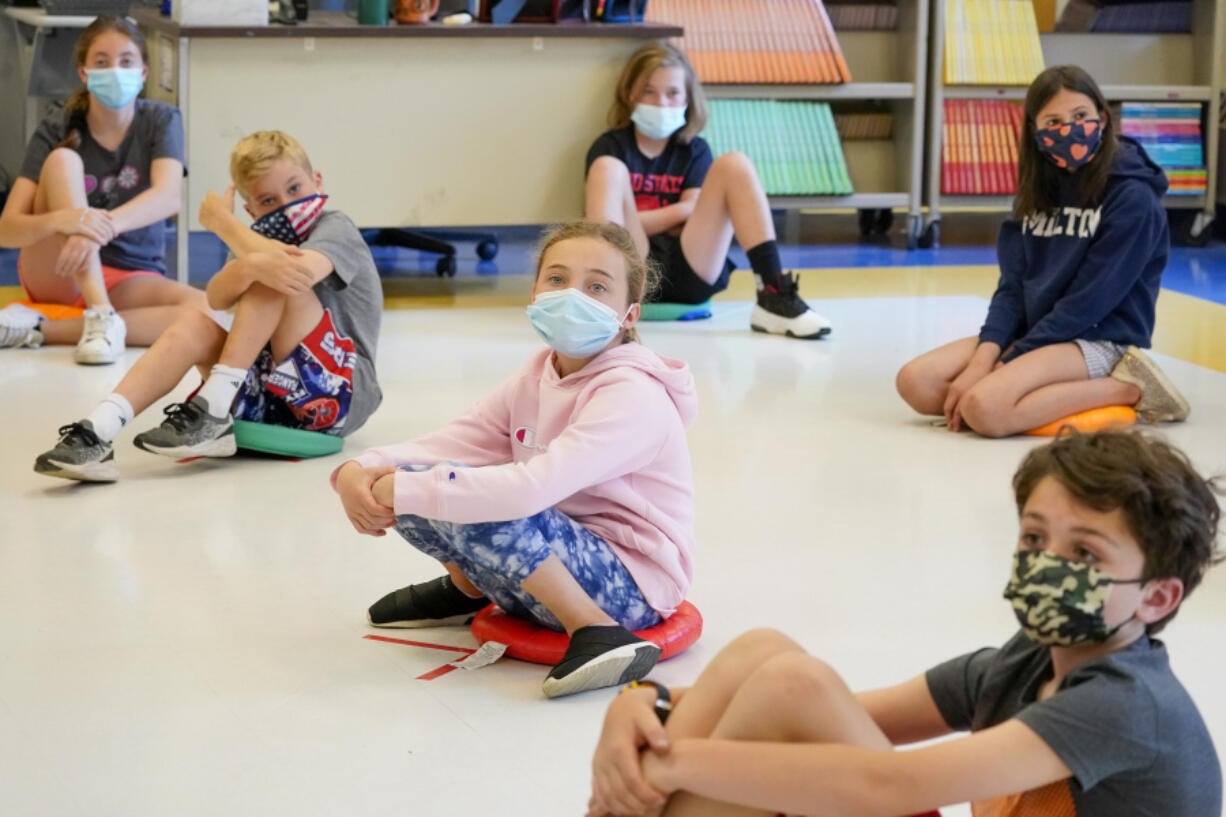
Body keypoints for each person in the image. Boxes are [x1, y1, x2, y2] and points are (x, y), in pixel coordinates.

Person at [588, 430, 1222, 817]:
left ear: (1157, 598)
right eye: (1034, 538)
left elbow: (889, 785)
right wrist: (646, 704)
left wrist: (665, 766)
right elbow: (820, 714)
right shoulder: (1022, 662)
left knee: (794, 684)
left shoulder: (1128, 704)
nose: (1047, 565)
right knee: (767, 656)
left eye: (1084, 553)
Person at [333, 221, 697, 699]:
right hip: (558, 556)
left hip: (631, 589)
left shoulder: (633, 394)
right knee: (435, 481)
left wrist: (399, 489)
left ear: (629, 314)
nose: (572, 296)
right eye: (557, 279)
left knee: (470, 494)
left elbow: (531, 489)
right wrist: (361, 470)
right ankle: (467, 590)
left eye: (596, 287)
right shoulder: (537, 371)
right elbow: (458, 440)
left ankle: (596, 631)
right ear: (534, 291)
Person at [32, 130, 382, 481]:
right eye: (268, 200)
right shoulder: (257, 243)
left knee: (272, 269)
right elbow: (216, 299)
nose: (285, 203)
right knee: (197, 321)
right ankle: (98, 432)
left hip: (341, 393)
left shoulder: (336, 226)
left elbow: (297, 273)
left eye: (294, 189)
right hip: (269, 390)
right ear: (251, 209)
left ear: (317, 180)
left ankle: (214, 409)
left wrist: (223, 224)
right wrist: (246, 262)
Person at [895, 65, 1189, 437]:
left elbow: (1088, 303)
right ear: (1035, 133)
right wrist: (985, 356)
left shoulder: (1133, 198)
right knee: (916, 382)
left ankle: (1131, 389)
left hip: (1098, 336)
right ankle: (1035, 388)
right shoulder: (1037, 189)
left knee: (984, 409)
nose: (1069, 129)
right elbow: (1012, 287)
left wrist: (1006, 362)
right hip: (1037, 331)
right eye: (1053, 121)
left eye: (1080, 116)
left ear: (1101, 116)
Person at [585, 43, 830, 339]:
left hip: (691, 268)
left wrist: (640, 217)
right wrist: (681, 211)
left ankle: (773, 295)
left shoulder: (695, 150)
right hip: (631, 275)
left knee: (734, 164)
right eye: (649, 91)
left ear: (687, 98)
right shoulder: (610, 147)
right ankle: (598, 302)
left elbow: (689, 215)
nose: (661, 102)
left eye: (673, 92)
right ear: (630, 94)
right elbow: (613, 226)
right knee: (607, 169)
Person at [0, 16, 206, 364]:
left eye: (126, 61)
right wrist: (66, 222)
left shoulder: (162, 119)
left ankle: (41, 330)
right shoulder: (58, 123)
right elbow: (7, 230)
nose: (115, 70)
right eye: (102, 62)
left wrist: (92, 229)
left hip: (129, 272)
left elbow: (168, 196)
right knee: (63, 160)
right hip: (58, 269)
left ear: (144, 71)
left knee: (206, 311)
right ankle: (99, 312)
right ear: (84, 72)